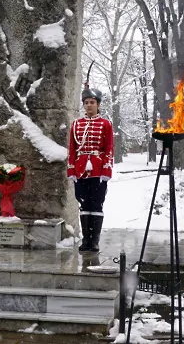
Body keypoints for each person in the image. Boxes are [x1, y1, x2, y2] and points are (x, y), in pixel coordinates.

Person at [67, 79, 114, 253]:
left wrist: (106, 170)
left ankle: (94, 242)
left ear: (98, 104)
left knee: (96, 204)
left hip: (97, 169)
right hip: (80, 170)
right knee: (83, 204)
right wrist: (71, 169)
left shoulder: (105, 124)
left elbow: (109, 148)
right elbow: (72, 149)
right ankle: (86, 240)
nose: (89, 106)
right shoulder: (76, 124)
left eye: (92, 103)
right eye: (86, 103)